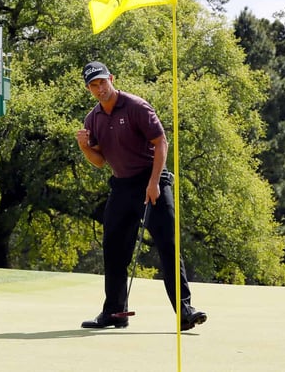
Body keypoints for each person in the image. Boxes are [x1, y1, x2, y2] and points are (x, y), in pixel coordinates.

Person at [75, 60, 207, 331]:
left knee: (168, 247)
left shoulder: (136, 106)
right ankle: (114, 313)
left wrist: (154, 182)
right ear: (88, 88)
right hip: (121, 187)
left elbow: (161, 143)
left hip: (152, 181)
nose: (99, 88)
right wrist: (84, 147)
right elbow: (99, 161)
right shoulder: (93, 119)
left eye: (102, 81)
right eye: (93, 85)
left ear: (111, 78)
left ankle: (184, 311)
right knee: (113, 250)